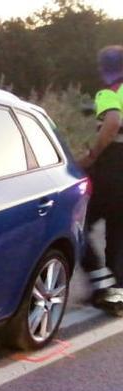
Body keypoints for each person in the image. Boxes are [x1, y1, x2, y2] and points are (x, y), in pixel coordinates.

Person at [79, 45, 123, 315]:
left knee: (77, 225)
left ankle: (101, 284)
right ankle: (117, 297)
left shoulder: (109, 93)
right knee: (119, 235)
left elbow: (113, 122)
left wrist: (92, 155)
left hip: (112, 168)